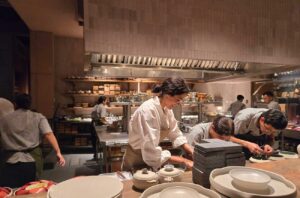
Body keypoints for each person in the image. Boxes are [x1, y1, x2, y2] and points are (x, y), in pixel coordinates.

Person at [122, 77, 194, 172]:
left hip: (150, 158)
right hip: (137, 159)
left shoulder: (167, 109)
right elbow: (151, 153)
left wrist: (191, 151)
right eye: (178, 99)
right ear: (168, 94)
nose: (179, 103)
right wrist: (183, 161)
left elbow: (175, 133)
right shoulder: (148, 111)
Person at [0, 93, 65, 188]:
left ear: (15, 104)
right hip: (32, 158)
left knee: (10, 188)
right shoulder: (38, 117)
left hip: (9, 159)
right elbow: (48, 134)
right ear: (29, 104)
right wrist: (58, 152)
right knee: (31, 187)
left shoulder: (4, 119)